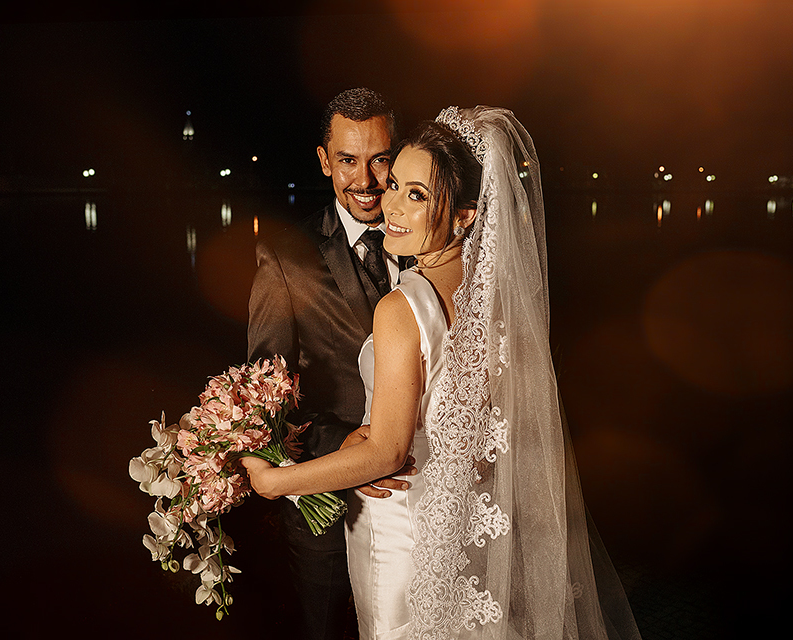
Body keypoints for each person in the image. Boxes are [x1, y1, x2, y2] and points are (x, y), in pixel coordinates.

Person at [245, 106, 641, 640]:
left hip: (401, 529)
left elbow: (386, 452)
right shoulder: (496, 299)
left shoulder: (401, 308)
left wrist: (275, 482)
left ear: (466, 217)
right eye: (396, 187)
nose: (391, 206)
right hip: (464, 527)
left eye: (417, 195)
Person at [246, 87, 416, 640]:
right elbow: (263, 400)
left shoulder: (430, 241)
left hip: (423, 497)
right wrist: (341, 445)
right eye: (347, 160)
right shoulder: (285, 254)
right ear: (324, 160)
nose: (364, 181)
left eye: (380, 158)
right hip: (327, 510)